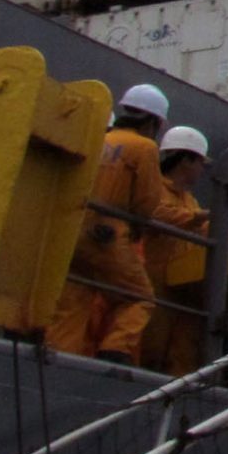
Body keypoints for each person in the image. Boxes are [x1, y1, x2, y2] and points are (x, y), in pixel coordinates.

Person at [47, 83, 173, 364]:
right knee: (138, 297)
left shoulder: (98, 139)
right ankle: (116, 349)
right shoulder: (144, 148)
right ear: (153, 121)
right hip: (108, 235)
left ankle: (58, 358)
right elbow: (146, 202)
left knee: (73, 298)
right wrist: (139, 226)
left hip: (73, 230)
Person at [141, 125, 212, 377]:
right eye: (200, 162)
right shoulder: (153, 187)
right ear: (186, 160)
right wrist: (199, 218)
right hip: (152, 282)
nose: (202, 169)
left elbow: (199, 228)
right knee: (149, 345)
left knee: (182, 351)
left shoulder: (189, 200)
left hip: (182, 287)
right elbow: (156, 213)